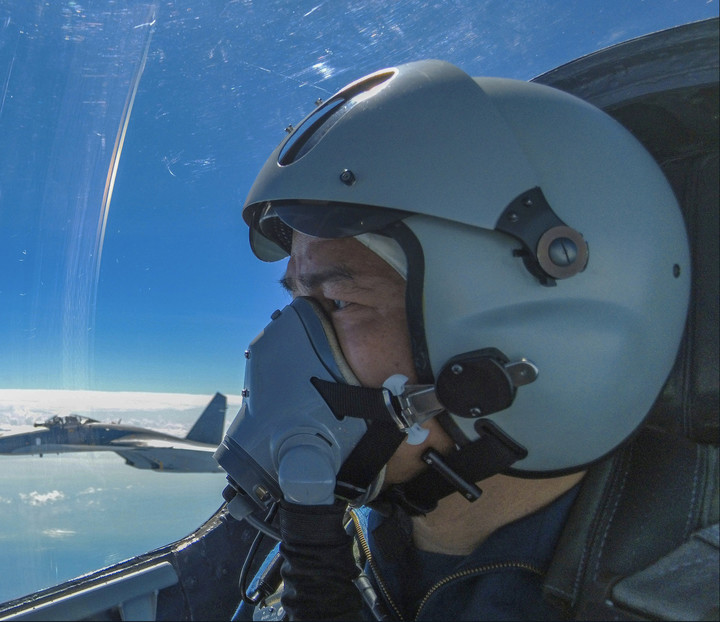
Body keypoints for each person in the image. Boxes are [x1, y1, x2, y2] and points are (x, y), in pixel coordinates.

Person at [229, 59, 692, 620]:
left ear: (524, 330)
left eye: (341, 302)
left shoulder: (681, 593)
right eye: (297, 302)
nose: (287, 345)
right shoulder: (315, 543)